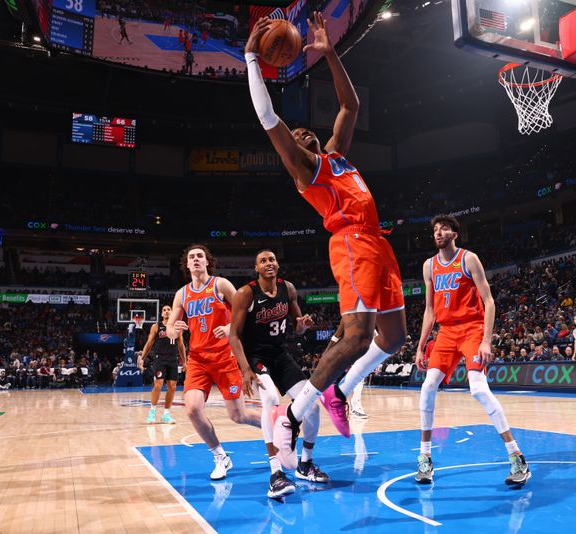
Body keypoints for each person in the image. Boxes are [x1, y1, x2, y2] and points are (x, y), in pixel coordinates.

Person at [246, 13, 406, 470]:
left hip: (379, 243)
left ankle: (339, 391)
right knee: (356, 337)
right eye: (295, 136)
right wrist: (252, 60)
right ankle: (294, 415)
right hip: (352, 242)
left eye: (305, 131)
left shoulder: (336, 157)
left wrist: (331, 52)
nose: (301, 133)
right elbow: (266, 116)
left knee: (394, 338)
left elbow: (350, 107)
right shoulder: (305, 170)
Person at [413, 215, 530, 487]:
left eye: (443, 229)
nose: (438, 233)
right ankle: (425, 458)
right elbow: (430, 310)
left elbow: (489, 302)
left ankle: (516, 456)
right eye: (435, 230)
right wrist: (420, 346)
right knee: (428, 386)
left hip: (472, 329)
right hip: (446, 332)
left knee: (478, 389)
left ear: (455, 233)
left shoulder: (468, 259)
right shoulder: (429, 266)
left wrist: (486, 340)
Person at [228, 250, 328, 499]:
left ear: (278, 265)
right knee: (271, 400)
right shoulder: (246, 293)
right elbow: (233, 335)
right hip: (256, 358)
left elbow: (296, 326)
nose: (268, 263)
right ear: (256, 268)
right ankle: (276, 474)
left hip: (281, 355)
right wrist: (245, 369)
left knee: (312, 407)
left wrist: (302, 325)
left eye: (272, 259)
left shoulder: (288, 289)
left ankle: (305, 464)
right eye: (263, 260)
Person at [166, 244, 262, 479]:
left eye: (200, 256)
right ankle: (220, 456)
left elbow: (247, 313)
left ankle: (278, 424)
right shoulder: (182, 294)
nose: (196, 259)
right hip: (198, 359)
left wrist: (230, 327)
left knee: (238, 416)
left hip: (224, 357)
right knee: (192, 409)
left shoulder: (221, 284)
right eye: (192, 257)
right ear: (187, 264)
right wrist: (173, 329)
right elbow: (169, 328)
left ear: (207, 261)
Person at [139, 304, 186, 424]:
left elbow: (181, 345)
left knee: (172, 386)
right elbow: (149, 343)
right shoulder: (156, 326)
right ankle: (152, 412)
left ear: (172, 312)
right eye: (164, 310)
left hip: (173, 360)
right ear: (161, 314)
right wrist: (142, 358)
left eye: (168, 309)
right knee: (158, 384)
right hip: (160, 359)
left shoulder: (177, 327)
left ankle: (166, 414)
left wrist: (185, 362)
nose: (166, 311)